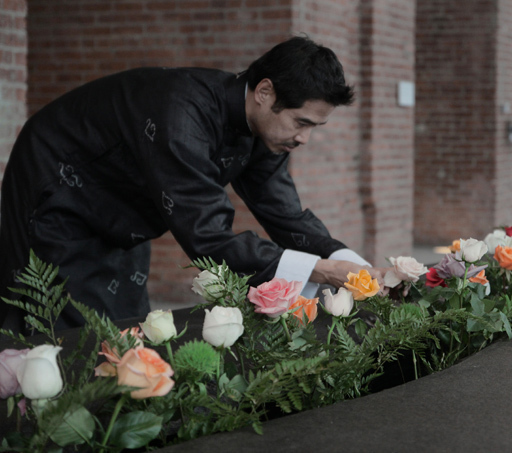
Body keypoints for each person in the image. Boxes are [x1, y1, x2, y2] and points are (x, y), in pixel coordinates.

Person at [0, 35, 393, 332]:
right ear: (265, 92)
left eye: (314, 127)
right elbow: (208, 236)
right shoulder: (180, 116)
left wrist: (357, 269)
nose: (304, 139)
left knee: (127, 328)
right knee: (65, 330)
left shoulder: (264, 129)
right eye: (301, 122)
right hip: (58, 189)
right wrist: (321, 271)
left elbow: (286, 214)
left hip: (124, 212)